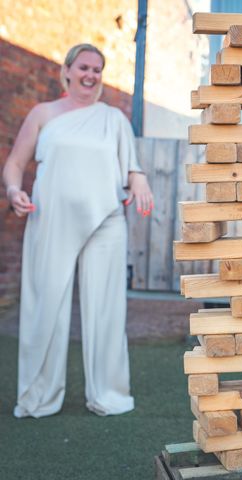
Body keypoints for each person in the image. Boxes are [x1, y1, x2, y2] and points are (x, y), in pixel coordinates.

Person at [2, 43, 153, 418]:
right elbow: (14, 164)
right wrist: (13, 190)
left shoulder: (114, 118)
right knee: (44, 305)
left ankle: (108, 394)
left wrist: (139, 181)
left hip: (106, 221)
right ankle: (38, 396)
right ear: (66, 71)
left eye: (98, 69)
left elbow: (131, 167)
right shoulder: (43, 113)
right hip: (50, 219)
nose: (91, 75)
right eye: (84, 67)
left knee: (106, 310)